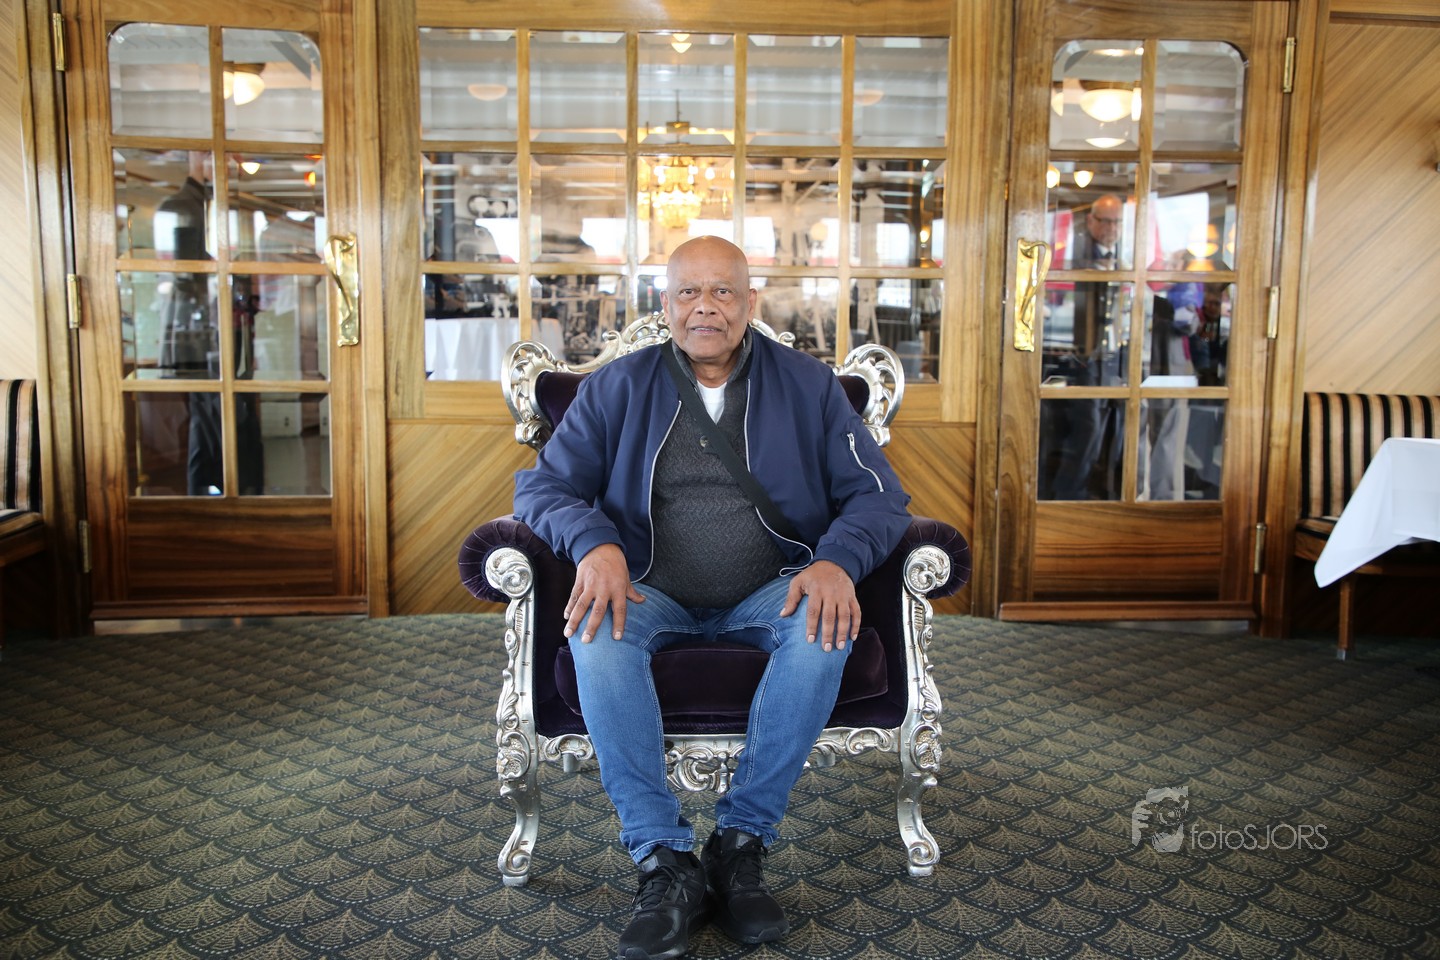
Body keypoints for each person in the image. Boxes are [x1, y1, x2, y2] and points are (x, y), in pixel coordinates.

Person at [512, 236, 912, 960]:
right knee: (594, 634)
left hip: (772, 588)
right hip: (649, 590)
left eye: (723, 291)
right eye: (689, 292)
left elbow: (880, 496)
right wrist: (595, 545)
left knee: (824, 628)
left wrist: (835, 562)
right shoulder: (618, 386)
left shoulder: (808, 386)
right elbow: (542, 488)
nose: (705, 307)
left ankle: (740, 844)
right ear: (665, 304)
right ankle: (663, 860)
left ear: (750, 302)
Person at [1040, 193, 1126, 500]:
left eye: (1117, 222)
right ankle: (1067, 496)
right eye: (1106, 221)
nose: (1112, 228)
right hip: (1080, 359)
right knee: (1087, 430)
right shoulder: (1074, 256)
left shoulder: (1126, 257)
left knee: (1113, 430)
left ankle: (1103, 494)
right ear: (1090, 221)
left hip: (1116, 358)